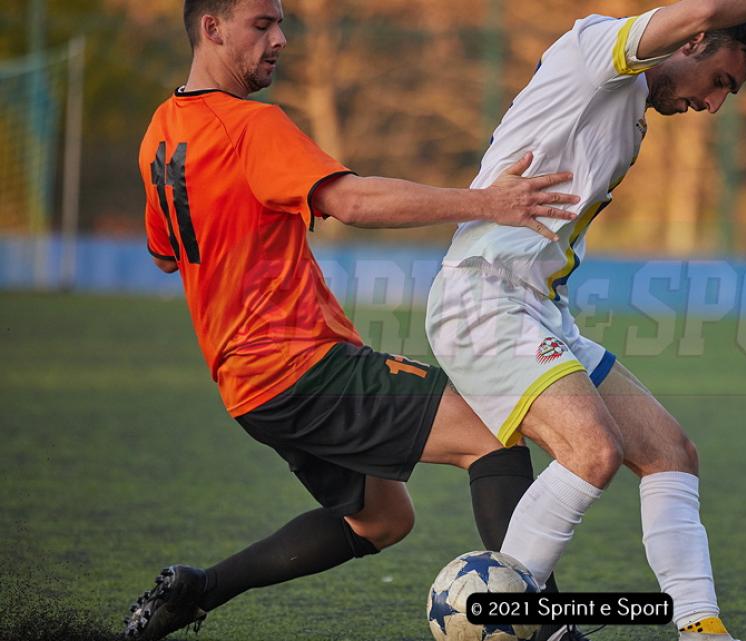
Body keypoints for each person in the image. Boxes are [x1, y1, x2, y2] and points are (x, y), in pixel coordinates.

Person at [121, 1, 587, 639]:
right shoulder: (249, 125)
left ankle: (198, 590)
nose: (280, 39)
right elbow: (351, 199)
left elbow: (165, 253)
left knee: (382, 521)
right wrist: (488, 202)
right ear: (212, 28)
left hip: (248, 388)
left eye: (281, 23)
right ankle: (549, 629)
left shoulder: (160, 133)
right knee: (493, 435)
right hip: (300, 365)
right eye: (262, 24)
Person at [425, 1, 746, 640]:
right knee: (592, 453)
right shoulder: (596, 53)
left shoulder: (629, 104)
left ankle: (702, 629)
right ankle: (503, 623)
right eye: (721, 81)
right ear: (693, 41)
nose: (714, 105)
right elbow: (707, 7)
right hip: (481, 300)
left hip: (538, 309)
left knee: (671, 453)